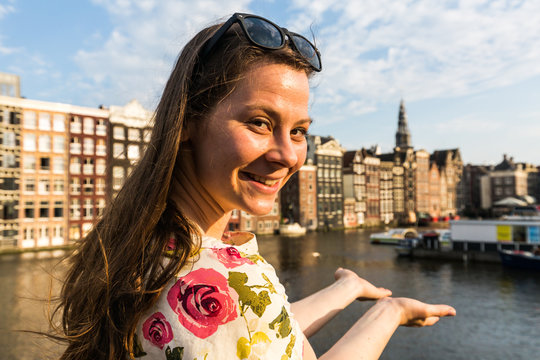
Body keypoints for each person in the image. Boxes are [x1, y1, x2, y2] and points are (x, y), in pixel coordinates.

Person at [55, 12, 455, 360]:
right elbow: (246, 329)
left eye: (298, 131)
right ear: (188, 122)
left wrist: (346, 289)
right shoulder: (215, 280)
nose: (288, 155)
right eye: (260, 123)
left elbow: (258, 335)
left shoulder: (151, 247)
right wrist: (389, 312)